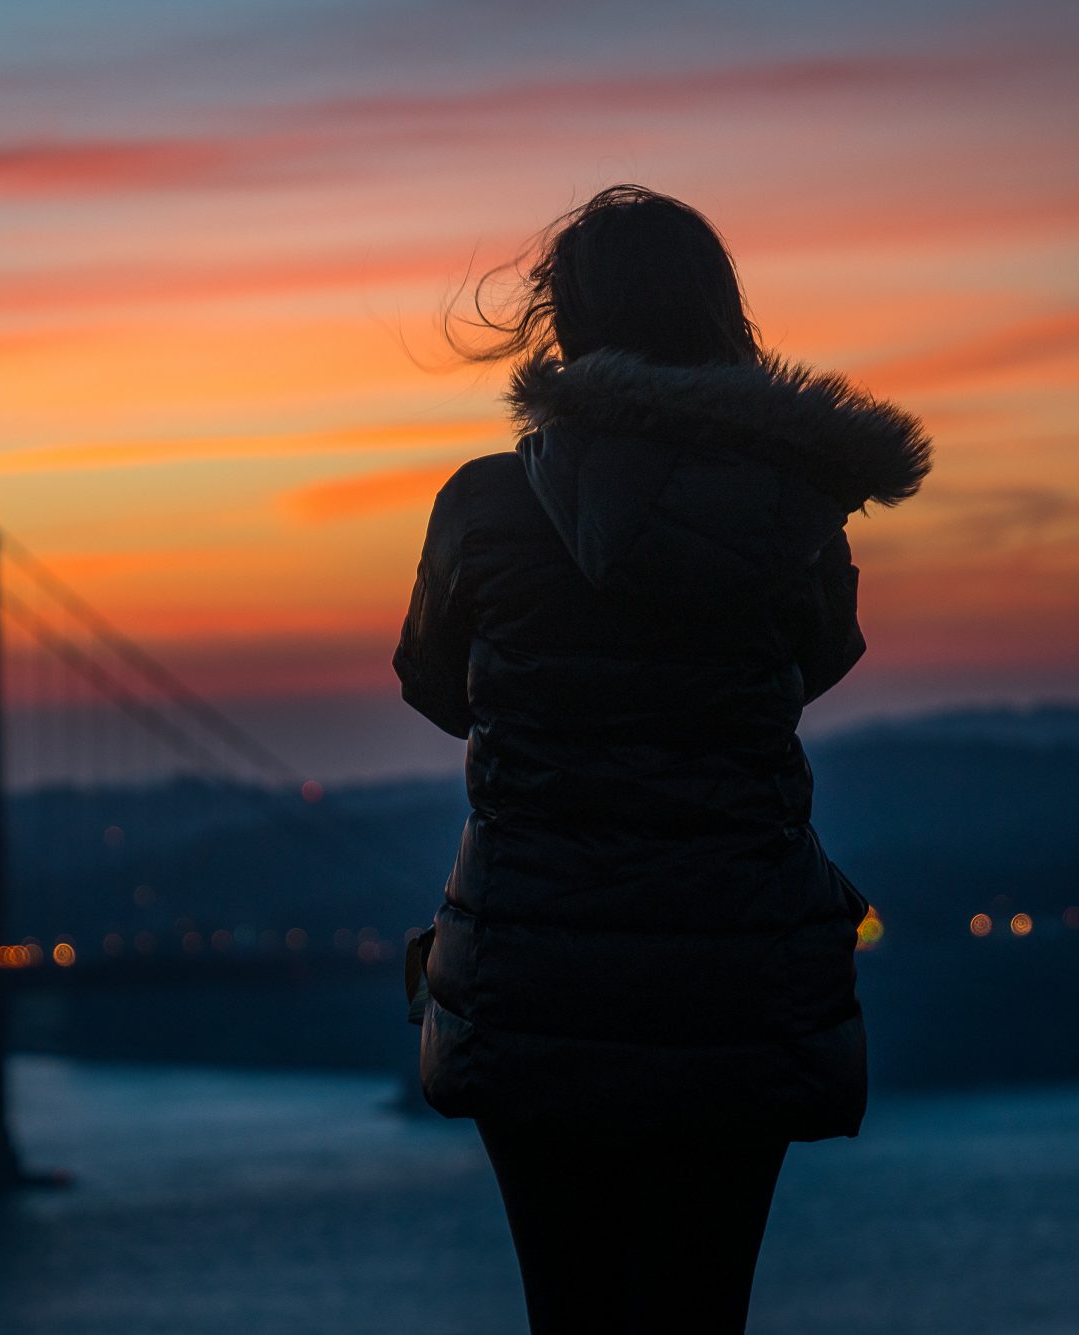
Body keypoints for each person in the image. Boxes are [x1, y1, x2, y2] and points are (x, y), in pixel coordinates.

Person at [394, 185, 931, 1333]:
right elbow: (817, 667)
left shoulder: (482, 509)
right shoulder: (794, 517)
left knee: (568, 1306)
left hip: (536, 977)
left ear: (561, 322)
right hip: (737, 978)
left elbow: (433, 689)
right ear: (719, 321)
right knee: (703, 1310)